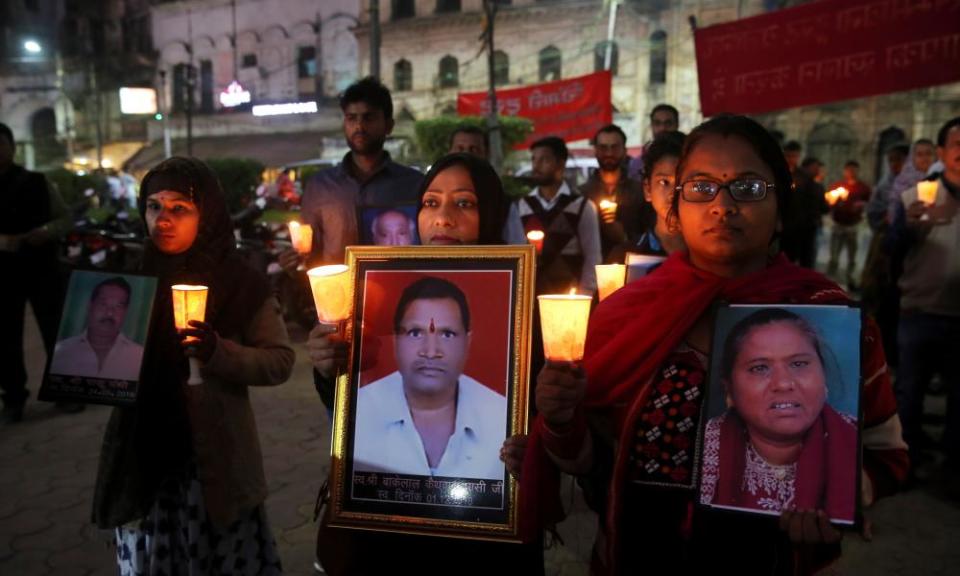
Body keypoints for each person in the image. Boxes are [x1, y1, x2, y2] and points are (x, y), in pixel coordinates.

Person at [523, 115, 908, 575]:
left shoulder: (831, 319)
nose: (723, 206)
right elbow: (590, 462)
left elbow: (887, 454)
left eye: (747, 188)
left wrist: (837, 495)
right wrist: (561, 417)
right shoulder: (628, 313)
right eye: (702, 188)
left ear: (781, 207)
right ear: (675, 207)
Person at [310, 153, 543, 576]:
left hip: (485, 542)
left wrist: (538, 446)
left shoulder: (525, 309)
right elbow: (351, 408)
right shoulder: (377, 291)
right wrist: (329, 364)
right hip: (389, 537)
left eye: (464, 204)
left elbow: (544, 414)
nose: (443, 219)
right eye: (431, 203)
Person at [92, 157, 294, 575]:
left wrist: (218, 352)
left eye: (178, 208)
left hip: (213, 463)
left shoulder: (242, 284)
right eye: (153, 207)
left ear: (208, 214)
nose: (162, 219)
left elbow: (278, 361)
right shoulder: (132, 279)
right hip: (143, 461)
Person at [700, 308, 857, 524]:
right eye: (759, 368)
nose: (783, 383)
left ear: (823, 376)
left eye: (799, 364)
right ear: (730, 389)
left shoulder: (857, 441)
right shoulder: (700, 447)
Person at [354, 277, 507, 479]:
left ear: (467, 342)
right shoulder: (359, 411)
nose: (431, 352)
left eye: (448, 335)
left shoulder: (502, 416)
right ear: (396, 341)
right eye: (416, 333)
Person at [891, 116, 960, 495]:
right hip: (920, 312)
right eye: (956, 144)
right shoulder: (919, 195)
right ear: (942, 152)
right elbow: (892, 251)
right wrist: (907, 228)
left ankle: (951, 466)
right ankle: (905, 461)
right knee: (911, 392)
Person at [292, 76, 422, 267]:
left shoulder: (414, 184)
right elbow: (309, 251)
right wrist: (294, 261)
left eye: (368, 118)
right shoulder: (320, 186)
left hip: (397, 292)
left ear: (388, 126)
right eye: (352, 118)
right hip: (336, 293)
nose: (359, 127)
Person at [0, 122, 75, 423]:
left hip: (42, 267)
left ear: (12, 147)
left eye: (1, 144)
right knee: (5, 337)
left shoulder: (37, 181)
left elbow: (65, 217)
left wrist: (46, 231)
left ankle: (64, 392)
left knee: (54, 330)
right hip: (3, 273)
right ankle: (14, 399)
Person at [515, 136, 601, 295]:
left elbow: (593, 256)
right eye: (534, 160)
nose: (536, 166)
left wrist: (585, 295)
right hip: (531, 295)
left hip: (568, 293)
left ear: (560, 164)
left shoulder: (581, 206)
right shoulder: (522, 206)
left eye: (544, 160)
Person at [579, 124, 653, 262]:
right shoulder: (582, 194)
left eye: (614, 147)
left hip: (631, 267)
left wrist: (624, 238)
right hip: (593, 268)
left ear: (624, 151)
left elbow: (650, 236)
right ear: (595, 151)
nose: (609, 153)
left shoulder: (640, 191)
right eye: (603, 147)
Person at [49, 276, 145, 381]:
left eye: (118, 306)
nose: (110, 313)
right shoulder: (60, 352)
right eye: (103, 304)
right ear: (90, 306)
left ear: (126, 311)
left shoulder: (139, 356)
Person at [634, 130, 686, 256]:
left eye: (683, 183)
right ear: (647, 189)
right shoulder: (627, 257)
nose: (673, 194)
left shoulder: (713, 257)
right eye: (664, 182)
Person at [826, 160, 872, 287]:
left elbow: (870, 203)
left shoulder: (863, 188)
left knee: (852, 256)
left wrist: (862, 205)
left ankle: (851, 279)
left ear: (858, 171)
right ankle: (829, 280)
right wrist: (834, 202)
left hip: (853, 225)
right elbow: (829, 202)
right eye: (849, 170)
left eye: (854, 170)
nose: (851, 173)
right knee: (834, 256)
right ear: (844, 171)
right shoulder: (837, 186)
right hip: (838, 224)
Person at [627, 103, 680, 179]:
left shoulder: (690, 158)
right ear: (651, 126)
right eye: (657, 123)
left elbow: (701, 186)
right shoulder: (637, 165)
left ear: (677, 124)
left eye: (668, 123)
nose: (662, 128)